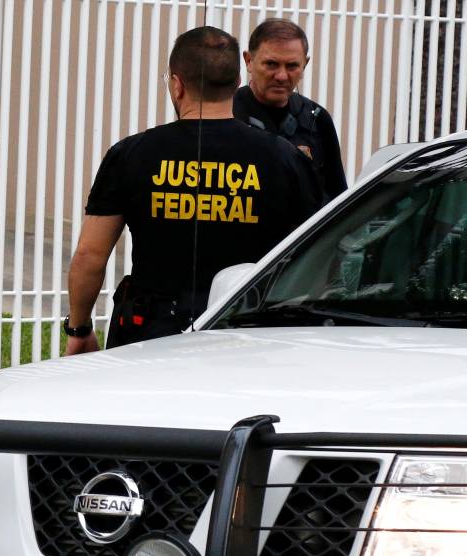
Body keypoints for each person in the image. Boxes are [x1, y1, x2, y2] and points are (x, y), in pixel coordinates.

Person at [64, 26, 322, 355]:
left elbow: (89, 256)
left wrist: (79, 328)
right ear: (237, 83)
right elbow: (313, 257)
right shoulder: (285, 158)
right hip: (245, 332)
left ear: (177, 84)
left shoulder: (131, 154)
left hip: (147, 332)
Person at [233, 18, 347, 202]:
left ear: (305, 65)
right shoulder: (226, 115)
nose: (281, 76)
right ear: (248, 61)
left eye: (292, 66)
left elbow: (337, 199)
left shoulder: (317, 120)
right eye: (271, 64)